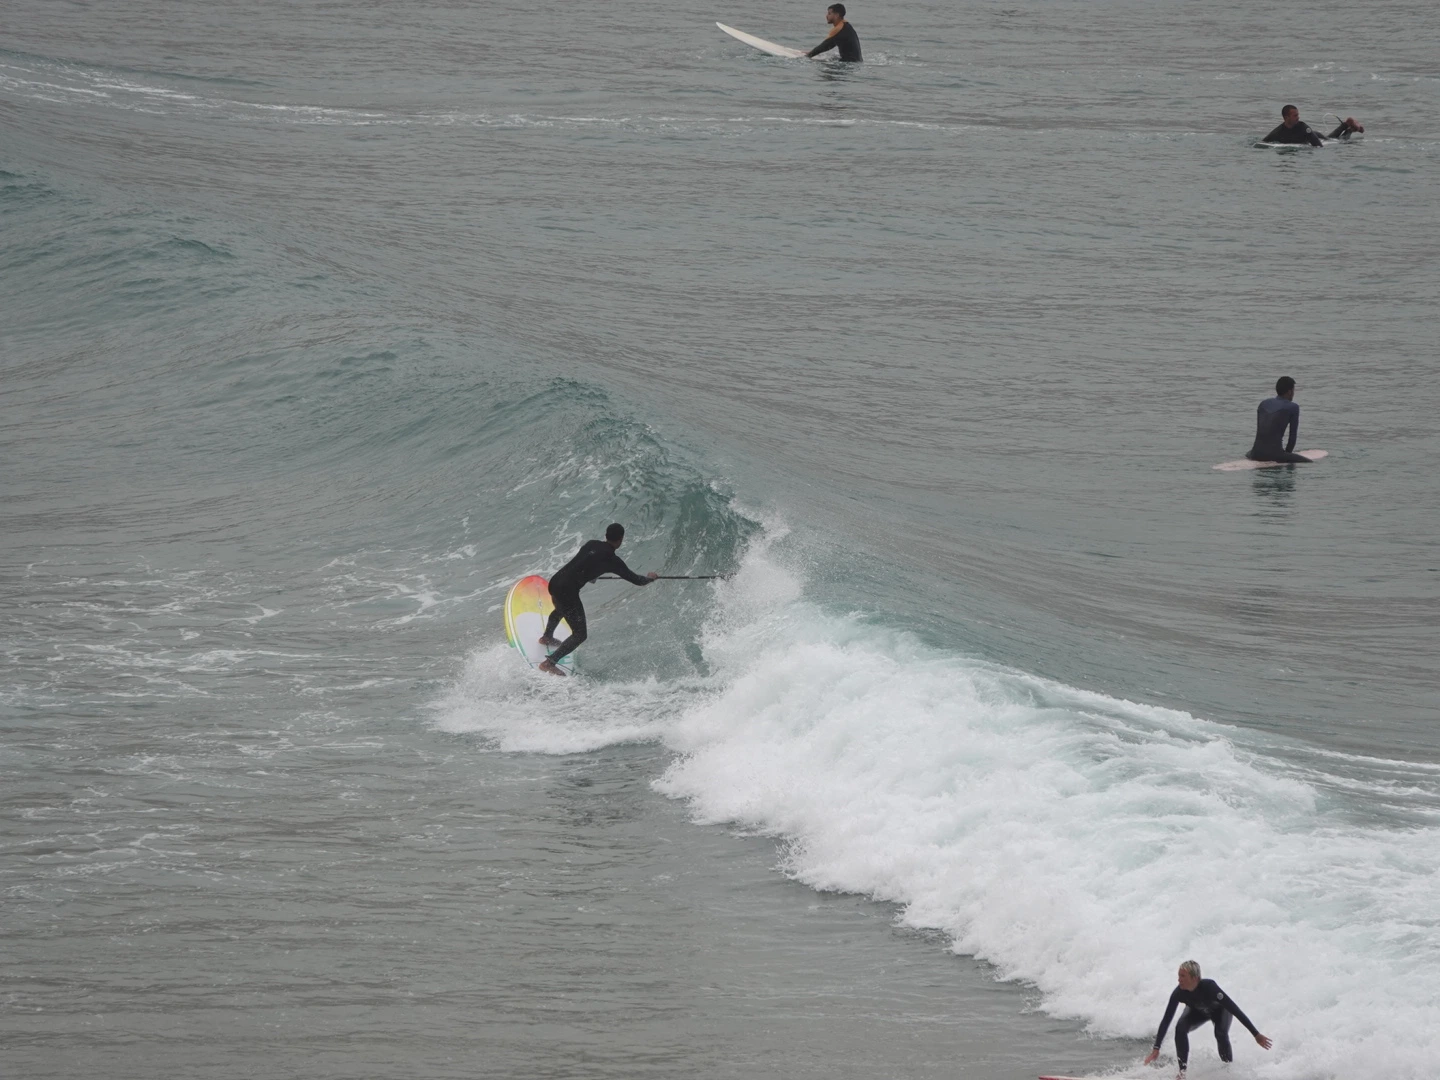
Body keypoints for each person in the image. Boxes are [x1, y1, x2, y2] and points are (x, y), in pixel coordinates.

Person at [537, 523, 656, 676]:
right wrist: (651, 578)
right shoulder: (612, 560)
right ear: (621, 539)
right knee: (580, 635)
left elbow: (585, 563)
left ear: (606, 535)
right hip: (567, 591)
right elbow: (637, 580)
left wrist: (592, 575)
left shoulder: (591, 544)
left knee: (561, 609)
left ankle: (547, 637)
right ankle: (549, 663)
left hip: (555, 582)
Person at [1143, 961, 1272, 1078]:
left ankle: (1228, 1070)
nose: (1179, 979)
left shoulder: (1210, 987)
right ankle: (1182, 1073)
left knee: (1220, 1033)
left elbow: (1234, 1009)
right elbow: (1167, 1019)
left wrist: (1256, 1034)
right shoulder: (1179, 993)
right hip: (1197, 1012)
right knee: (1180, 1028)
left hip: (1220, 1012)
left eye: (1183, 976)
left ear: (1195, 978)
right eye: (1179, 975)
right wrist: (1156, 1048)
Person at [1247, 375, 1312, 463]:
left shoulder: (1263, 404)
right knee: (1309, 462)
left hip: (1255, 453)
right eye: (1293, 390)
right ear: (1290, 392)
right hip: (1274, 455)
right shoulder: (1293, 407)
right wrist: (1287, 455)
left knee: (1249, 453)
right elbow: (1292, 438)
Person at [1262, 104, 1363, 146]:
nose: (1298, 117)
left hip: (1314, 136)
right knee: (1331, 138)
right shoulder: (1277, 132)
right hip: (1310, 137)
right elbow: (1262, 143)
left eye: (1298, 115)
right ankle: (1347, 125)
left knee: (1337, 141)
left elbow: (1319, 146)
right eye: (1295, 115)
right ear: (1286, 118)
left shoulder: (1303, 127)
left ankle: (1349, 129)